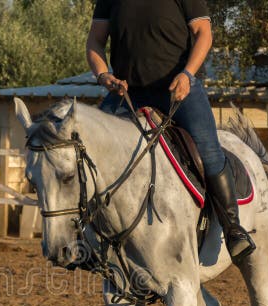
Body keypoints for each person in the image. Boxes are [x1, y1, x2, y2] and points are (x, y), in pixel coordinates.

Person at [86, 0, 255, 263]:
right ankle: (86, 233)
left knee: (208, 150)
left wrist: (187, 74)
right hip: (125, 92)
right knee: (91, 149)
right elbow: (95, 41)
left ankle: (233, 229)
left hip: (177, 89)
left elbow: (204, 33)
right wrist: (102, 75)